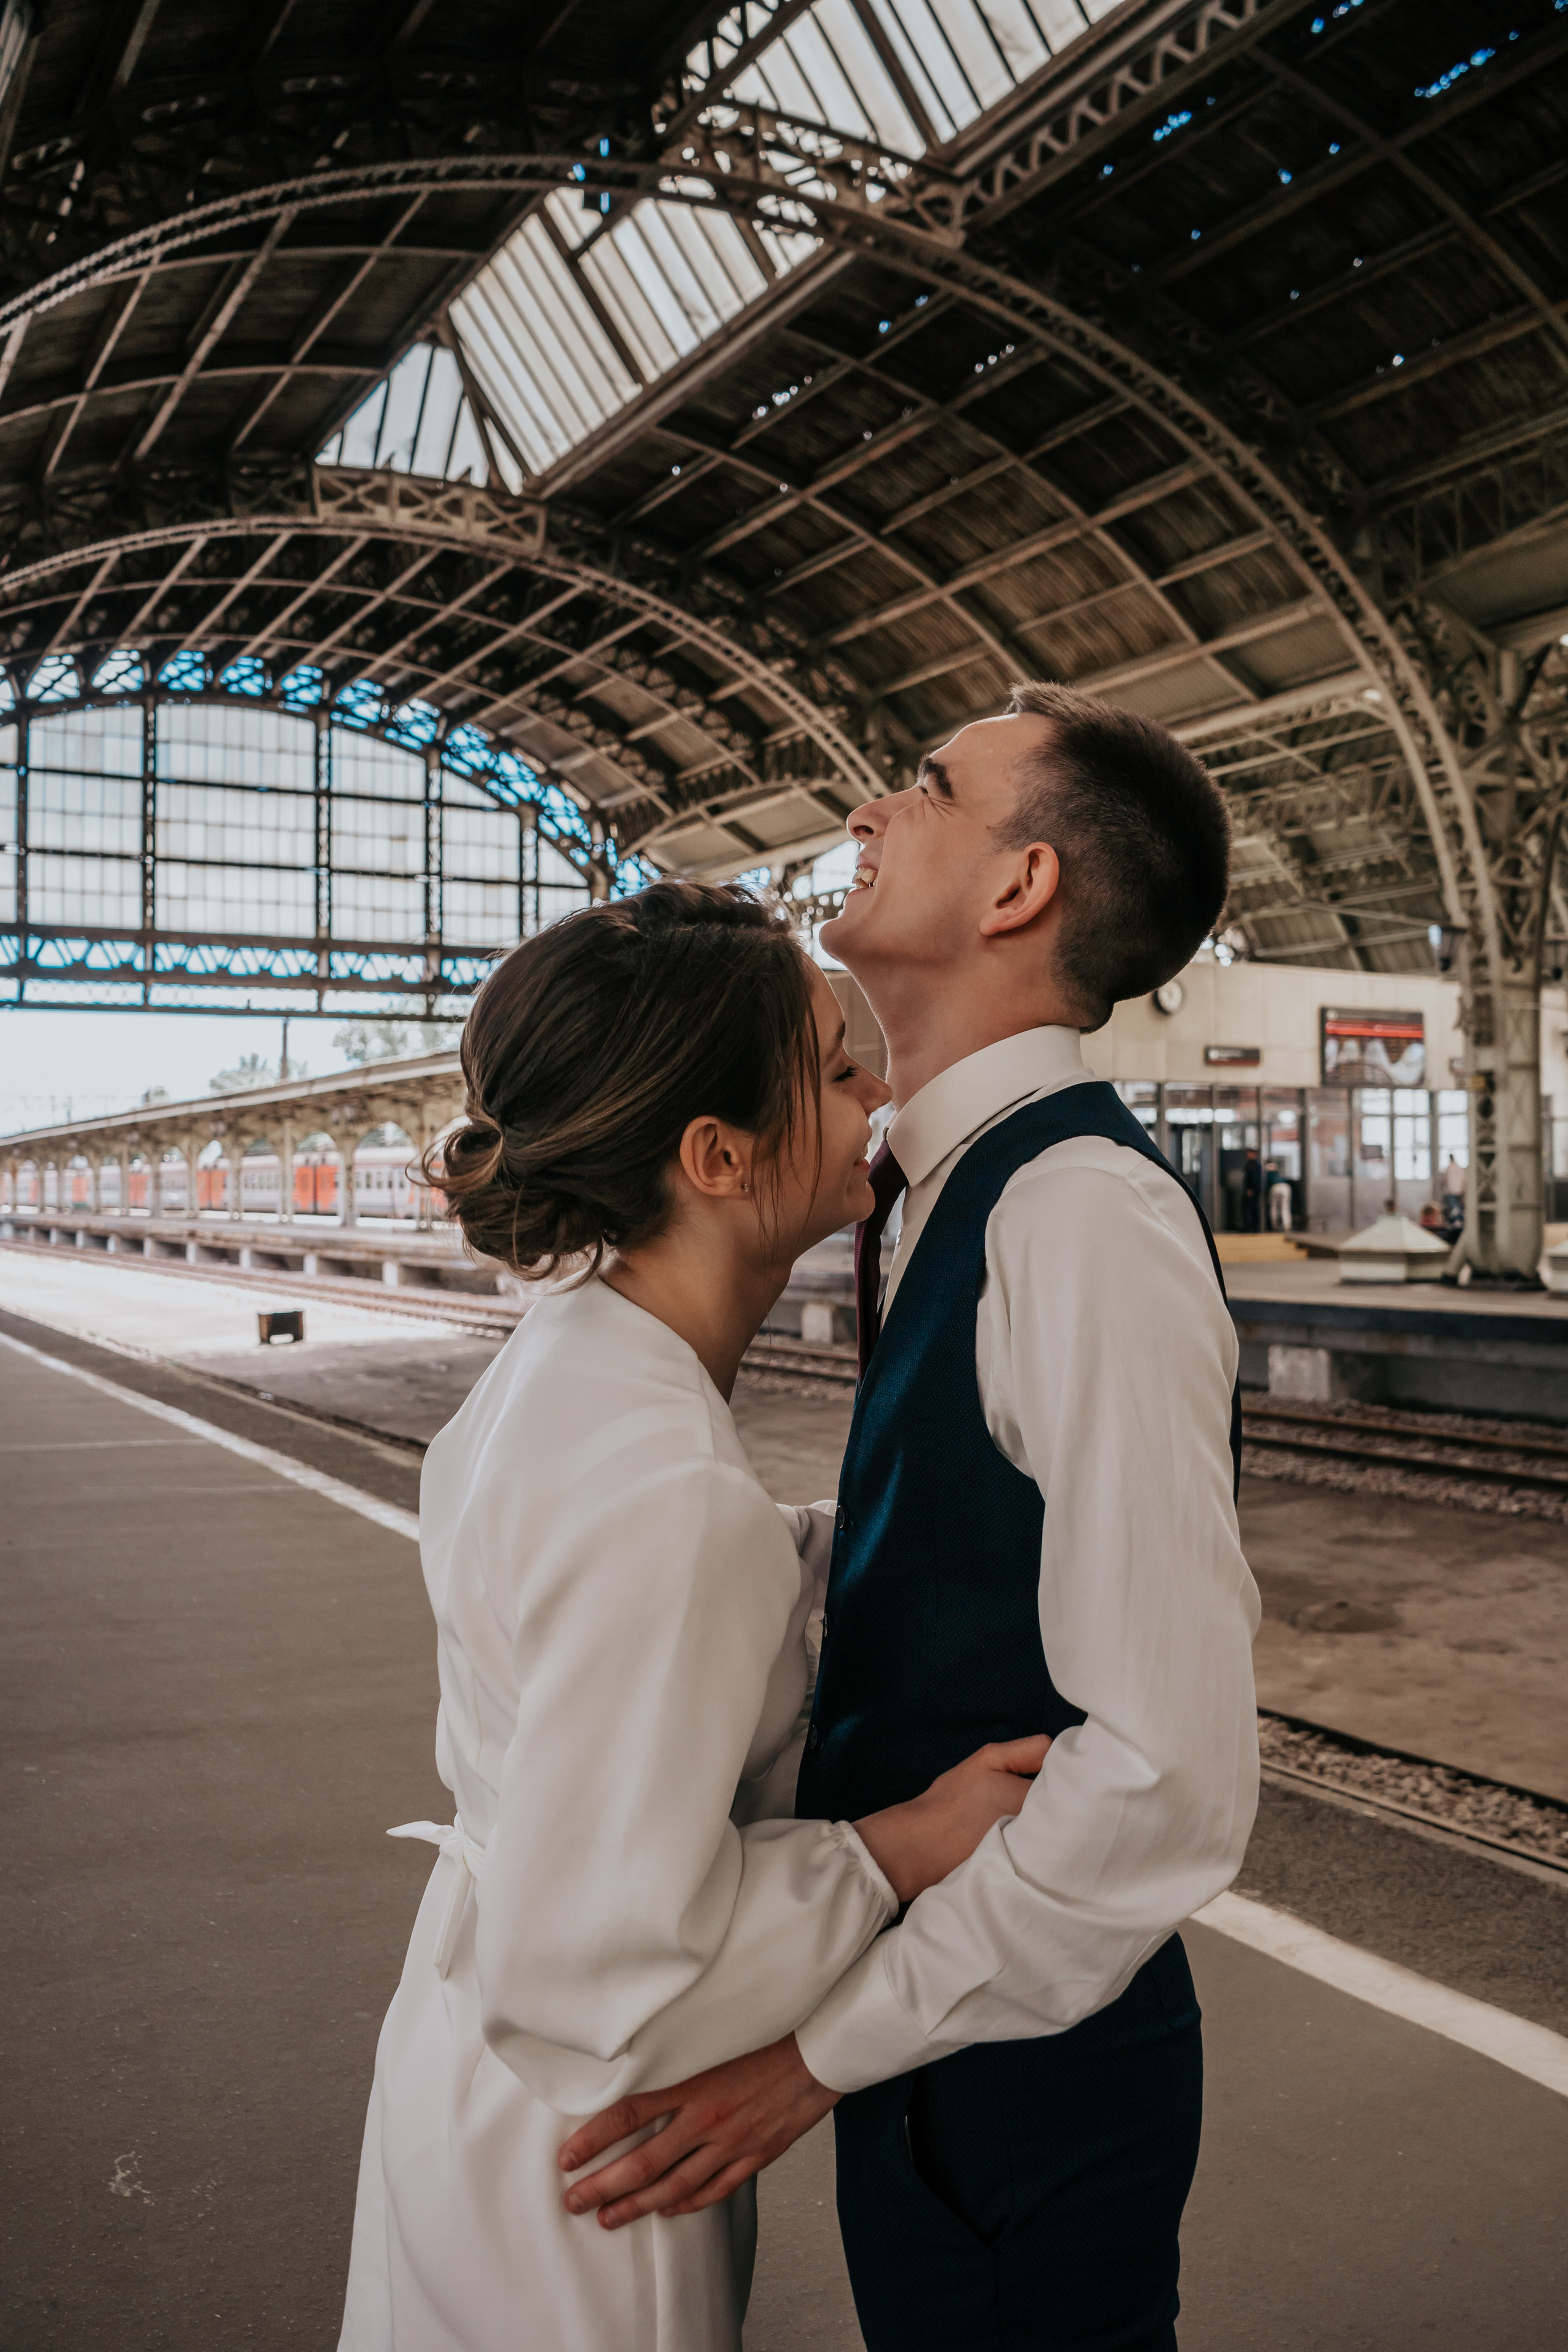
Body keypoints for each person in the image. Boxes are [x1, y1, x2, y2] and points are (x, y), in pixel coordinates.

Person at [559, 685, 1262, 2351]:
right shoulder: (961, 1186)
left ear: (1020, 889)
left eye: (926, 787)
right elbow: (966, 1542)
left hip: (1021, 2070)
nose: (868, 815)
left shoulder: (1078, 1215)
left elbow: (1163, 1777)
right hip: (948, 2043)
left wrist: (816, 2055)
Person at [337, 883, 1050, 2352]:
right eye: (834, 1065)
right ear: (717, 1154)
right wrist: (902, 1847)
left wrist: (848, 1547)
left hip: (467, 2065)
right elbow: (615, 1982)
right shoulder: (667, 1493)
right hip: (586, 2155)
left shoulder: (567, 1359)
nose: (876, 1088)